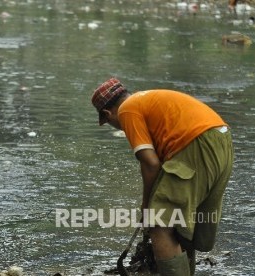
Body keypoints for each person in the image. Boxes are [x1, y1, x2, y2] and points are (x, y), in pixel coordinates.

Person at [91, 78, 234, 275]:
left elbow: (150, 163)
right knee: (180, 225)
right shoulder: (146, 100)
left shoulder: (127, 110)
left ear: (107, 114)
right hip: (222, 141)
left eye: (109, 123)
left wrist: (147, 204)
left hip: (196, 144)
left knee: (160, 225)